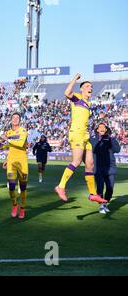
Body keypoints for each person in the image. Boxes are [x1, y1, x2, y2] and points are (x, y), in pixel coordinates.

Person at [54, 74, 106, 204]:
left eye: (91, 87)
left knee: (90, 164)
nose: (91, 88)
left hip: (85, 135)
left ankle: (92, 194)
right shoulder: (78, 98)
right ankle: (60, 186)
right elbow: (67, 92)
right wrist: (75, 79)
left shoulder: (87, 103)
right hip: (76, 133)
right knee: (76, 161)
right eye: (88, 86)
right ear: (82, 89)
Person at [0, 113, 29, 219]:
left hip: (22, 162)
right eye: (13, 118)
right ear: (11, 120)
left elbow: (20, 143)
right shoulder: (8, 132)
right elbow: (9, 145)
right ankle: (15, 205)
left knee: (23, 188)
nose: (15, 119)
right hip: (11, 162)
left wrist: (7, 139)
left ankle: (22, 209)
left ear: (20, 120)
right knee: (11, 186)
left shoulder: (23, 131)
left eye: (17, 118)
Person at [90, 122, 121, 214]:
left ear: (106, 129)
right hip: (98, 167)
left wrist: (110, 143)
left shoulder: (111, 139)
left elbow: (117, 149)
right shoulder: (93, 139)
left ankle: (105, 204)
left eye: (104, 127)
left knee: (110, 188)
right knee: (100, 188)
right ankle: (102, 205)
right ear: (97, 130)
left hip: (110, 168)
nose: (102, 128)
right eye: (100, 127)